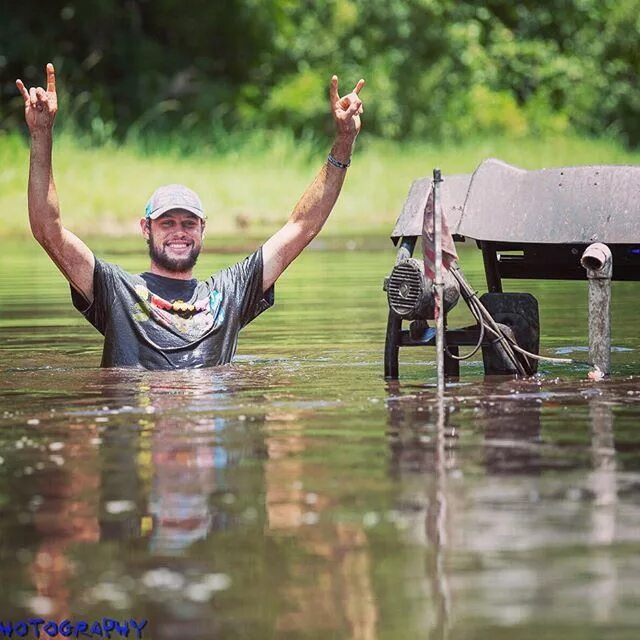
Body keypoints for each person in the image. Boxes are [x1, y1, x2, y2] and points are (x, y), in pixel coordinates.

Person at [16, 63, 364, 369]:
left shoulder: (230, 292)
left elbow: (302, 227)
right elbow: (48, 230)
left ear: (203, 230)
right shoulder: (116, 291)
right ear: (146, 229)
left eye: (188, 223)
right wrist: (41, 134)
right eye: (167, 223)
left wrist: (344, 141)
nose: (178, 232)